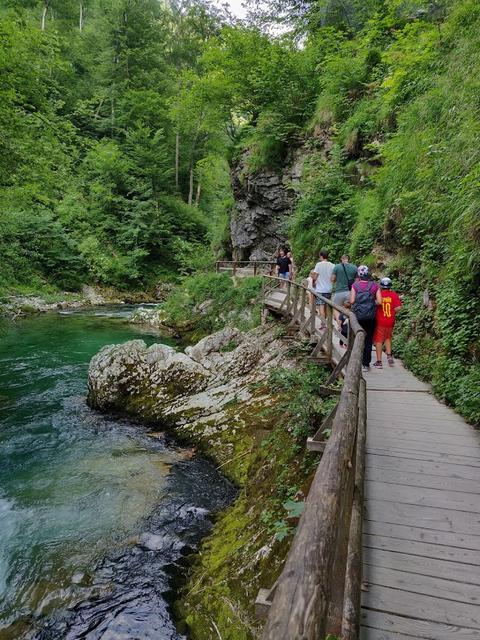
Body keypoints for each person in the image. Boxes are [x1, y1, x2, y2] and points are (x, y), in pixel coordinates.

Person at [350, 265, 382, 371]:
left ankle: (356, 360)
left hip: (359, 316)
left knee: (358, 337)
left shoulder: (355, 285)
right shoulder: (375, 285)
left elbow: (352, 301)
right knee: (368, 340)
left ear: (359, 274)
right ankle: (366, 364)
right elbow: (380, 302)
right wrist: (371, 303)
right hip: (371, 317)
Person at [373, 277, 402, 368]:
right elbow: (398, 308)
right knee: (388, 337)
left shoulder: (379, 295)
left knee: (378, 340)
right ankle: (389, 356)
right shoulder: (393, 295)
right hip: (390, 320)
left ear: (381, 286)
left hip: (380, 321)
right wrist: (392, 310)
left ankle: (379, 361)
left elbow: (375, 304)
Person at [331, 255, 357, 324]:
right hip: (350, 293)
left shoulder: (337, 267)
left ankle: (339, 325)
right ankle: (348, 326)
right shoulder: (354, 267)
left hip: (339, 292)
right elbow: (357, 282)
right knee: (349, 310)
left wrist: (338, 279)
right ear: (349, 259)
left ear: (341, 259)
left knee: (335, 308)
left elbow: (332, 279)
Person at [313, 250, 334, 325]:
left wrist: (313, 283)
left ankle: (323, 323)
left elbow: (315, 277)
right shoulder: (332, 265)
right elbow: (333, 278)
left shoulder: (318, 264)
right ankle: (326, 322)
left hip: (320, 290)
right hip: (329, 289)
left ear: (321, 256)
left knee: (321, 306)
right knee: (327, 307)